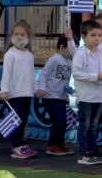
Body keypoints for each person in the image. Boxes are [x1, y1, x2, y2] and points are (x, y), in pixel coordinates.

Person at [0, 20, 38, 159]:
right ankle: (15, 145)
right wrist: (4, 90)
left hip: (26, 93)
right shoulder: (10, 54)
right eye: (16, 34)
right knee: (16, 120)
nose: (19, 37)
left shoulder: (29, 55)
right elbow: (6, 73)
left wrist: (35, 88)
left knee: (24, 120)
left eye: (22, 34)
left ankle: (21, 142)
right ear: (11, 36)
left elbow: (32, 74)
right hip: (14, 94)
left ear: (28, 36)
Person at [35, 35, 75, 156]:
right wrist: (41, 88)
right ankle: (52, 145)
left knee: (63, 121)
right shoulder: (54, 59)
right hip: (50, 96)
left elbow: (65, 81)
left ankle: (59, 144)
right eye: (70, 48)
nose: (73, 52)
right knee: (59, 119)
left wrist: (67, 94)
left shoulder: (69, 62)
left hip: (61, 97)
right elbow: (44, 74)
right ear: (62, 47)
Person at [71, 20, 102, 165]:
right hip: (85, 97)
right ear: (84, 37)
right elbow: (77, 73)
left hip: (99, 97)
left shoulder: (100, 52)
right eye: (93, 35)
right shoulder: (80, 53)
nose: (97, 39)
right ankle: (84, 153)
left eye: (100, 35)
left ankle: (93, 152)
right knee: (85, 125)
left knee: (94, 126)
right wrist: (96, 76)